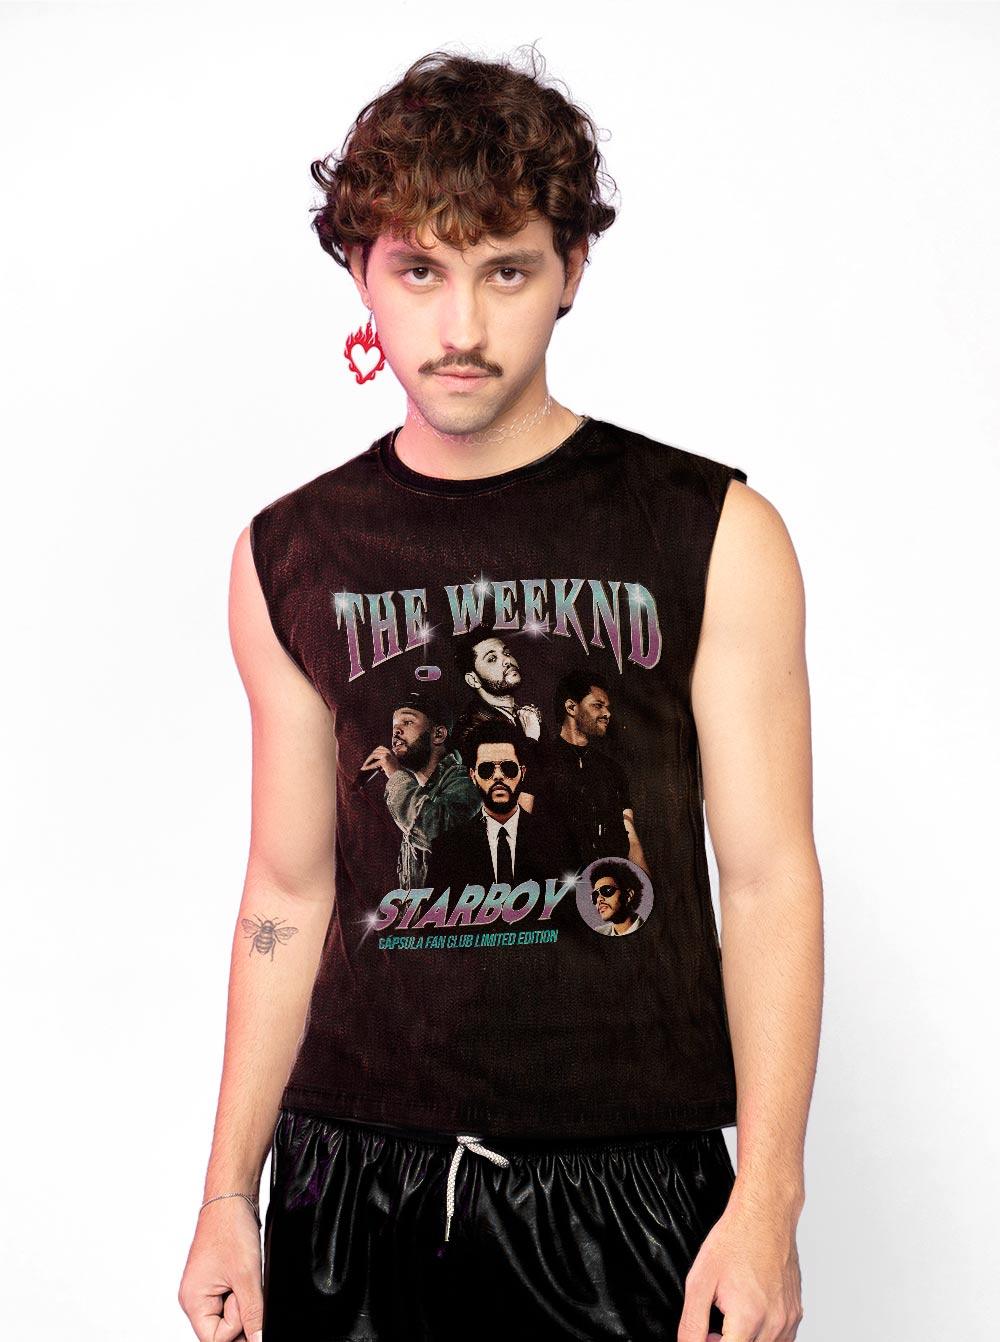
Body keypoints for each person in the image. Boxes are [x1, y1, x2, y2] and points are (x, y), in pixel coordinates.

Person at [178, 44, 821, 1342]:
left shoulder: (710, 533)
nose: (461, 328)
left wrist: (766, 1204)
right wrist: (227, 1192)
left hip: (629, 1189)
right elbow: (288, 894)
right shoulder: (291, 555)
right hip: (351, 1182)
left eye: (506, 270)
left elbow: (766, 880)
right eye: (420, 270)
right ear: (361, 273)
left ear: (572, 269)